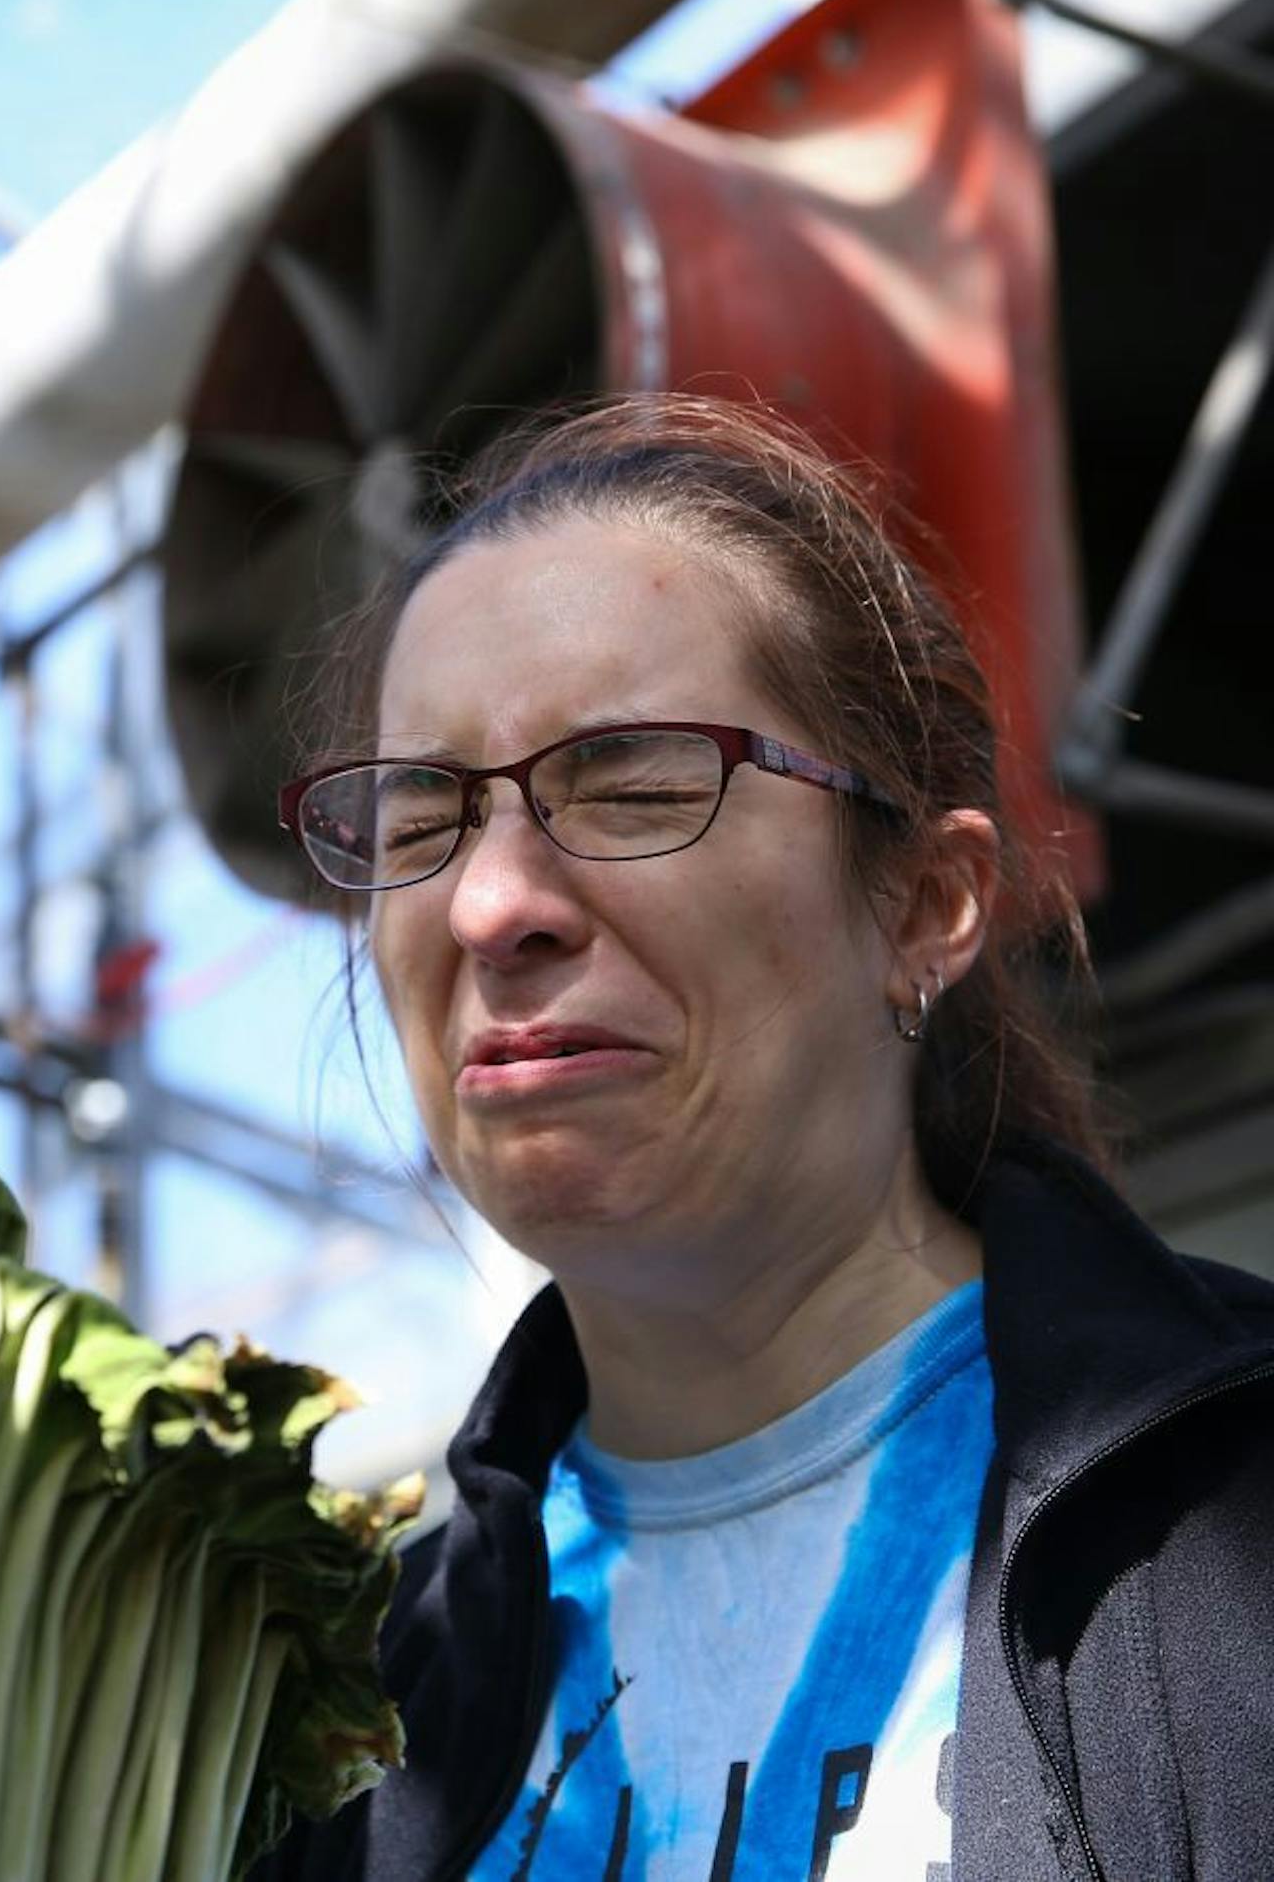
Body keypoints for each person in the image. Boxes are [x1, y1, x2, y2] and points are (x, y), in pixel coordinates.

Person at [252, 396, 1274, 1882]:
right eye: (422, 821)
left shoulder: (1229, 1509)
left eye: (636, 783)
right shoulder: (333, 1715)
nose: (490, 905)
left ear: (924, 904)